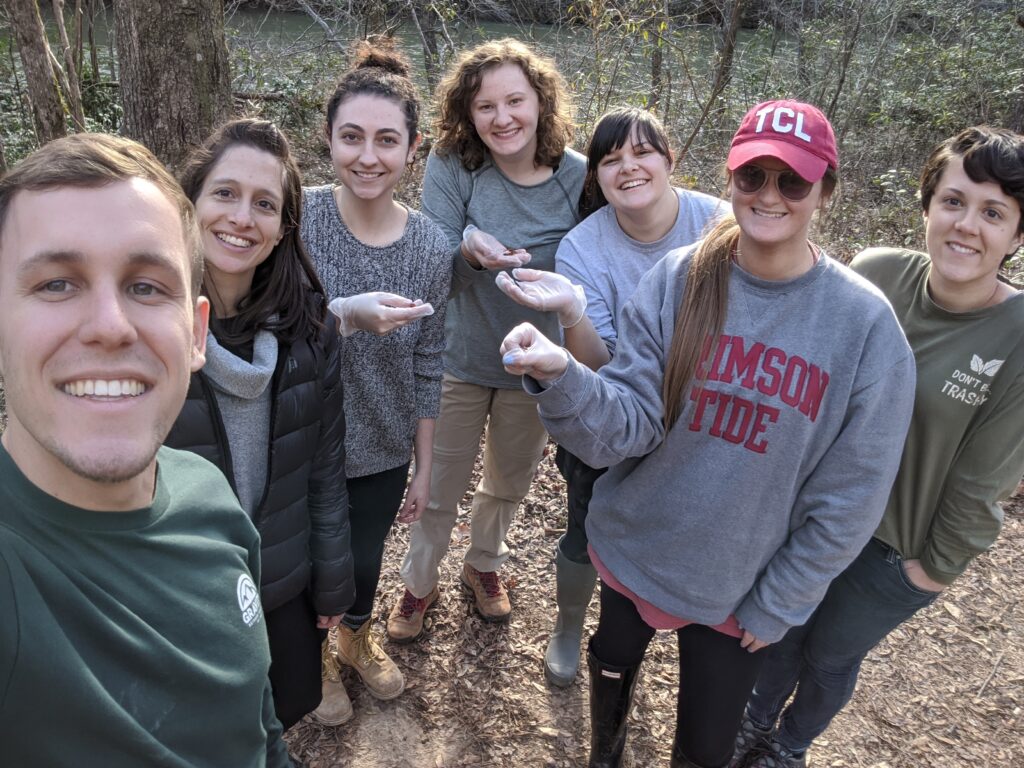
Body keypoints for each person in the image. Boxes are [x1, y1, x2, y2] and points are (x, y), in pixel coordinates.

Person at [499, 100, 916, 768]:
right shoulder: (681, 279)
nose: (769, 196)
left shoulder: (865, 330)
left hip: (738, 582)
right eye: (753, 177)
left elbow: (852, 495)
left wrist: (780, 600)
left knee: (705, 744)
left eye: (792, 181)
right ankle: (604, 755)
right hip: (640, 544)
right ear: (730, 180)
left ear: (825, 192)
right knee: (611, 661)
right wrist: (562, 376)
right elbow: (627, 426)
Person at [734, 126, 1024, 768]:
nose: (967, 226)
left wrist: (928, 571)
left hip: (894, 550)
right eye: (953, 202)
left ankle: (789, 745)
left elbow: (983, 484)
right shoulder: (875, 274)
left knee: (830, 655)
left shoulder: (1017, 336)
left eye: (994, 213)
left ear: (1017, 236)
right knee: (776, 634)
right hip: (815, 519)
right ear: (927, 206)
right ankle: (750, 723)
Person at [0, 133, 291, 766]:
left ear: (195, 333)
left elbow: (258, 718)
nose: (110, 325)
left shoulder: (210, 494)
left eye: (147, 287)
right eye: (55, 284)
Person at [495, 105, 727, 687]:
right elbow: (599, 372)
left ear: (670, 159)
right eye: (611, 159)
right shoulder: (582, 249)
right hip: (613, 416)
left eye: (643, 153)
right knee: (586, 527)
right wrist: (571, 310)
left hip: (708, 422)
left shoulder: (718, 224)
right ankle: (570, 624)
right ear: (595, 175)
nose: (629, 168)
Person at [388, 37, 586, 638]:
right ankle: (419, 584)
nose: (502, 118)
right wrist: (468, 253)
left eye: (515, 101)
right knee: (440, 482)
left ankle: (484, 566)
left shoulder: (577, 177)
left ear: (541, 101)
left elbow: (599, 262)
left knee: (509, 479)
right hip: (459, 356)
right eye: (485, 107)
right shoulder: (454, 166)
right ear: (468, 114)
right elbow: (430, 264)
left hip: (534, 362)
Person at [166, 119, 354, 733]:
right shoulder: (148, 329)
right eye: (224, 194)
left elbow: (324, 472)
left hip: (279, 582)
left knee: (281, 711)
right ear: (190, 204)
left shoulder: (311, 332)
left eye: (264, 204)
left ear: (281, 230)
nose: (242, 218)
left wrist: (332, 583)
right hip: (181, 598)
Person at [300, 41, 451, 722]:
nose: (368, 156)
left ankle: (356, 640)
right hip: (299, 438)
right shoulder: (296, 218)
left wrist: (424, 466)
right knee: (306, 564)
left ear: (413, 148)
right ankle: (313, 658)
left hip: (386, 444)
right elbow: (264, 322)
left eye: (386, 140)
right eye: (352, 137)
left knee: (363, 560)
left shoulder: (430, 247)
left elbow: (429, 361)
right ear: (328, 139)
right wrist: (343, 317)